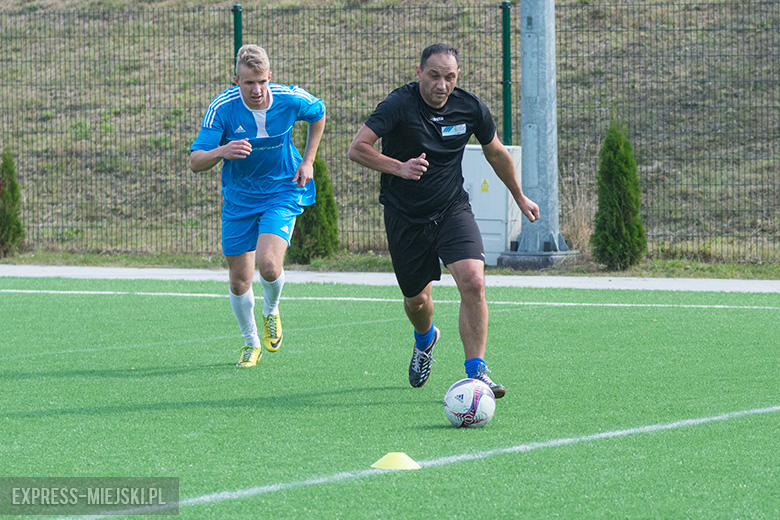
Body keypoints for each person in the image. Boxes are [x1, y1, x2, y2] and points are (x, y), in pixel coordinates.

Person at [348, 43, 539, 397]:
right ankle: (425, 340)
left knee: (473, 281)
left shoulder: (469, 108)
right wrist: (399, 167)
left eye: (449, 77)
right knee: (417, 302)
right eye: (434, 75)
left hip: (451, 209)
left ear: (457, 77)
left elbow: (495, 152)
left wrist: (519, 195)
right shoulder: (398, 105)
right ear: (418, 73)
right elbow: (358, 147)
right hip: (405, 216)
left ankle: (476, 373)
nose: (441, 84)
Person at [190, 44, 326, 367]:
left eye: (262, 81)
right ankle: (251, 343)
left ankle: (271, 309)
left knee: (268, 265)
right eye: (249, 82)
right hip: (239, 198)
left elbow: (318, 113)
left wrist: (308, 161)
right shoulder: (221, 108)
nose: (257, 90)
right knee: (240, 280)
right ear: (235, 80)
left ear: (270, 76)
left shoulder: (290, 98)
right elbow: (195, 161)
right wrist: (222, 151)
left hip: (282, 189)